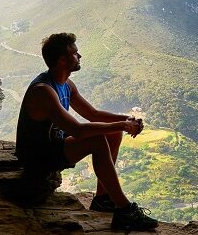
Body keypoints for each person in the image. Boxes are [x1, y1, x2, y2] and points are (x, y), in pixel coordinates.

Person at [15, 32, 158, 231]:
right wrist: (123, 126)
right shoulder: (44, 91)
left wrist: (125, 120)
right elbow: (78, 130)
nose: (79, 56)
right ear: (62, 60)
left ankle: (103, 199)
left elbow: (92, 113)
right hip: (37, 156)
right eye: (75, 53)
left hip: (54, 145)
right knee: (98, 140)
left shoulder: (65, 84)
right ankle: (125, 211)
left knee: (112, 133)